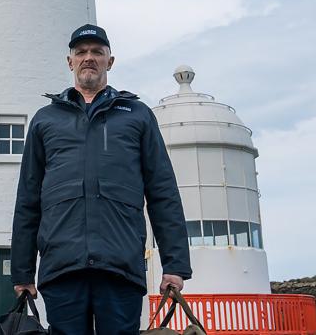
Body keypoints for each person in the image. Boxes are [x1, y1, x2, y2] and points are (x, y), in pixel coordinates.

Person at [11, 24, 192, 335]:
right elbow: (28, 200)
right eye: (81, 53)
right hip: (61, 268)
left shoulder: (137, 115)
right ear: (70, 62)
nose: (88, 58)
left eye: (97, 52)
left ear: (110, 60)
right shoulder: (45, 119)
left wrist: (175, 265)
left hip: (120, 266)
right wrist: (22, 272)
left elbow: (163, 193)